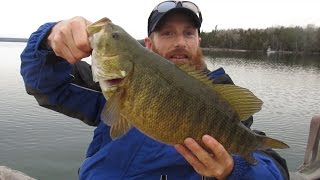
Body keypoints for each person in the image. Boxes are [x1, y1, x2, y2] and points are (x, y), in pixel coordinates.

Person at [20, 1, 289, 179]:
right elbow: (45, 85)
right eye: (167, 33)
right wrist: (48, 40)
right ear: (148, 44)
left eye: (188, 33)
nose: (180, 42)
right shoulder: (106, 88)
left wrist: (233, 170)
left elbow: (272, 168)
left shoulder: (219, 100)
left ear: (199, 41)